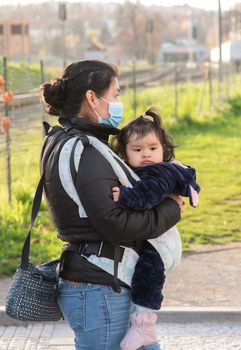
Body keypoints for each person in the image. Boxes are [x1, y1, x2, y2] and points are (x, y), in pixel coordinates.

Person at [39, 59, 184, 350]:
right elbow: (115, 224)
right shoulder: (85, 150)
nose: (118, 102)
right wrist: (171, 208)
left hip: (108, 282)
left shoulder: (62, 140)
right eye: (115, 94)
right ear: (92, 98)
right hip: (100, 288)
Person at [110, 109, 200, 350]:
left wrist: (127, 196)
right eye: (137, 150)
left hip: (162, 246)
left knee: (147, 278)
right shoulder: (147, 170)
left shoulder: (161, 172)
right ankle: (142, 326)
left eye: (152, 148)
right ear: (125, 153)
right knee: (143, 276)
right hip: (159, 239)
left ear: (164, 149)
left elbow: (147, 197)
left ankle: (144, 325)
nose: (146, 154)